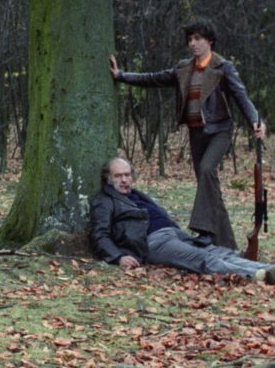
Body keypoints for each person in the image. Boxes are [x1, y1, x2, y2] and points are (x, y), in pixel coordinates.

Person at [109, 20, 264, 250]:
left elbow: (241, 96)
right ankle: (227, 246)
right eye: (190, 39)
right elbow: (153, 78)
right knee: (208, 186)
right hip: (196, 132)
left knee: (207, 170)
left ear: (209, 41)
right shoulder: (184, 68)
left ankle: (204, 230)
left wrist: (256, 120)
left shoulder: (223, 67)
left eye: (198, 39)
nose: (193, 43)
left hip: (219, 130)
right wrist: (121, 75)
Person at [89, 157, 275, 284]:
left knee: (221, 252)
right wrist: (118, 257)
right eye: (118, 176)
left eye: (127, 174)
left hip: (175, 235)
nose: (125, 180)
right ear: (108, 179)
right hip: (153, 242)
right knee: (203, 259)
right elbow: (100, 235)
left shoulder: (136, 195)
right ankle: (260, 276)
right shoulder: (105, 201)